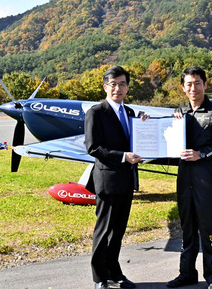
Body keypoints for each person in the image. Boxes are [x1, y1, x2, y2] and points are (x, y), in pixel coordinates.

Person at [167, 66, 212, 289]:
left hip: (206, 177)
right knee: (186, 227)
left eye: (197, 83)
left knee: (208, 227)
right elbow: (164, 136)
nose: (193, 88)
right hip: (184, 177)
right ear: (183, 88)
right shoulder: (178, 113)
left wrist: (200, 154)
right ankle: (187, 273)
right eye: (188, 84)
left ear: (205, 84)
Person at [85, 66, 142, 289]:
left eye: (122, 84)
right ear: (105, 87)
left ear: (127, 87)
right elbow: (93, 148)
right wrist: (123, 156)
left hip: (127, 180)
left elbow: (135, 144)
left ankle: (114, 272)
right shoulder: (96, 112)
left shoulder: (130, 113)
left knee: (118, 232)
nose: (117, 88)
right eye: (113, 84)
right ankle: (99, 278)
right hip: (107, 181)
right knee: (104, 230)